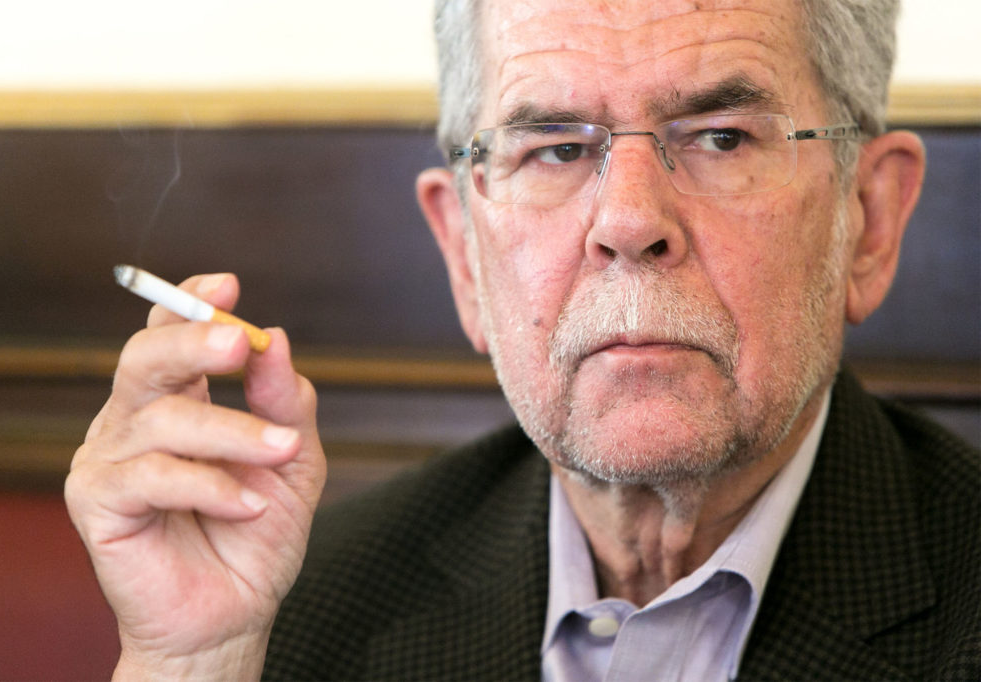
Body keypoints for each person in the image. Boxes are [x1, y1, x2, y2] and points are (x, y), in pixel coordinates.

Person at [65, 0, 979, 679]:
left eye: (723, 138)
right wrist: (192, 664)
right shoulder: (299, 608)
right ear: (464, 253)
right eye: (557, 148)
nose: (628, 222)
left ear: (869, 220)